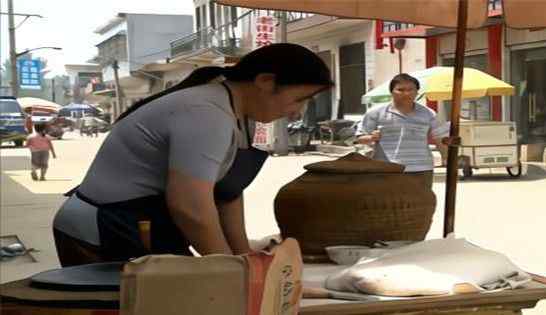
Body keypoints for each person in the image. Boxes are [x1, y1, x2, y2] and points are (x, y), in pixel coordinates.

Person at [52, 43, 333, 267]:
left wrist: (243, 258)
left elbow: (228, 194)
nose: (298, 112)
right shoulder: (207, 114)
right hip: (105, 228)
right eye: (300, 99)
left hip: (144, 225)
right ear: (265, 81)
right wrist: (229, 271)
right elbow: (190, 207)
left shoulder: (238, 114)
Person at [356, 73, 456, 188]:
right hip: (386, 169)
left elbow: (440, 138)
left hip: (421, 169)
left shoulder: (428, 113)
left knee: (421, 203)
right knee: (388, 204)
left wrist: (447, 158)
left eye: (410, 90)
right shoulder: (375, 113)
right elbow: (359, 138)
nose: (406, 93)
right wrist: (371, 138)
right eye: (400, 90)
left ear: (417, 92)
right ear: (391, 91)